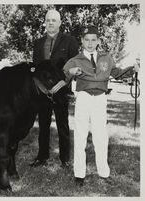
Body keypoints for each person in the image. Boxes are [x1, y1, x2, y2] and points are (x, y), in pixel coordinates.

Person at [63, 25, 139, 186]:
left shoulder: (106, 57)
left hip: (100, 98)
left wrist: (133, 69)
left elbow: (118, 73)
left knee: (101, 136)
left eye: (93, 40)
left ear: (98, 41)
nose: (90, 43)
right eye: (86, 40)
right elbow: (63, 76)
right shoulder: (75, 60)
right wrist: (71, 72)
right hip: (83, 97)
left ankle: (104, 173)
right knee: (80, 135)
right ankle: (79, 174)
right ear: (82, 41)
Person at [31, 9, 79, 168]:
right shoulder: (37, 43)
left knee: (62, 125)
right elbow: (36, 68)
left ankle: (65, 160)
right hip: (42, 92)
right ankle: (42, 156)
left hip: (61, 90)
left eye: (54, 20)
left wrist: (63, 83)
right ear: (45, 22)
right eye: (48, 20)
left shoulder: (70, 41)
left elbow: (75, 65)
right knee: (43, 125)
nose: (50, 22)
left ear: (59, 23)